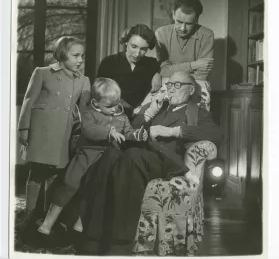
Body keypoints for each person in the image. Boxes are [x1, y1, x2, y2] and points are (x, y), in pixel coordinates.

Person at [78, 71, 223, 255]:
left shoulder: (196, 111)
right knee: (110, 156)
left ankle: (120, 243)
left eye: (177, 85)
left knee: (131, 156)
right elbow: (129, 130)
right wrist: (149, 113)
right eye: (169, 85)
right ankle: (93, 238)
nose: (171, 89)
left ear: (191, 89)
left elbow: (217, 134)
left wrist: (173, 132)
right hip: (137, 152)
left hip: (165, 159)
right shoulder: (156, 106)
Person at [36, 77, 148, 236]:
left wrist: (136, 135)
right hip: (86, 157)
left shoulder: (122, 117)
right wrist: (109, 133)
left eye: (117, 104)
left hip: (106, 160)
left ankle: (79, 226)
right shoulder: (89, 114)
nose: (114, 109)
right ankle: (47, 223)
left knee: (96, 191)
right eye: (109, 106)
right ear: (96, 103)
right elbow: (89, 130)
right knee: (70, 186)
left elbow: (128, 133)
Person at [17, 36, 91, 233]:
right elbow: (28, 101)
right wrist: (23, 128)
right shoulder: (42, 73)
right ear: (61, 54)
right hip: (41, 133)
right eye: (75, 55)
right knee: (36, 174)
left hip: (63, 136)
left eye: (82, 56)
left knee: (55, 177)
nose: (80, 60)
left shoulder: (83, 81)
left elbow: (85, 112)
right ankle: (29, 214)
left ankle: (44, 216)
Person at [97, 24, 161, 117]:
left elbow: (164, 68)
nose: (137, 53)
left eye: (143, 49)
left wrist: (157, 73)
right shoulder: (109, 62)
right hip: (112, 113)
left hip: (140, 115)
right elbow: (99, 93)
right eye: (134, 46)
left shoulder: (152, 64)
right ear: (126, 42)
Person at [155, 0, 214, 82]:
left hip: (196, 83)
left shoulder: (206, 35)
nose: (183, 28)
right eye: (179, 22)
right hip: (168, 82)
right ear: (173, 15)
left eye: (189, 24)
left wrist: (172, 71)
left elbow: (202, 75)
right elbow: (162, 70)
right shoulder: (161, 33)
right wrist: (193, 65)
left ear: (196, 20)